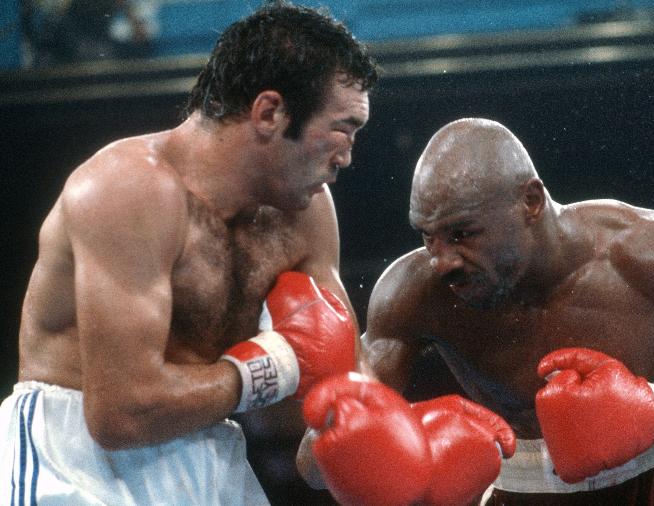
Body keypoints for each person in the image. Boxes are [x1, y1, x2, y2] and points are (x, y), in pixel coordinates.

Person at [300, 117, 654, 505]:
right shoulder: (414, 293)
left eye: (462, 233)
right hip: (518, 492)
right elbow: (315, 457)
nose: (442, 260)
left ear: (531, 201)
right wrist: (408, 448)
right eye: (426, 237)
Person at [0, 2, 377, 504]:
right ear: (269, 112)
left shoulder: (305, 213)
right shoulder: (127, 189)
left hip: (208, 449)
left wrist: (406, 446)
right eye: (343, 129)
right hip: (76, 460)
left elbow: (339, 392)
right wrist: (270, 368)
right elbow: (120, 414)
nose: (347, 157)